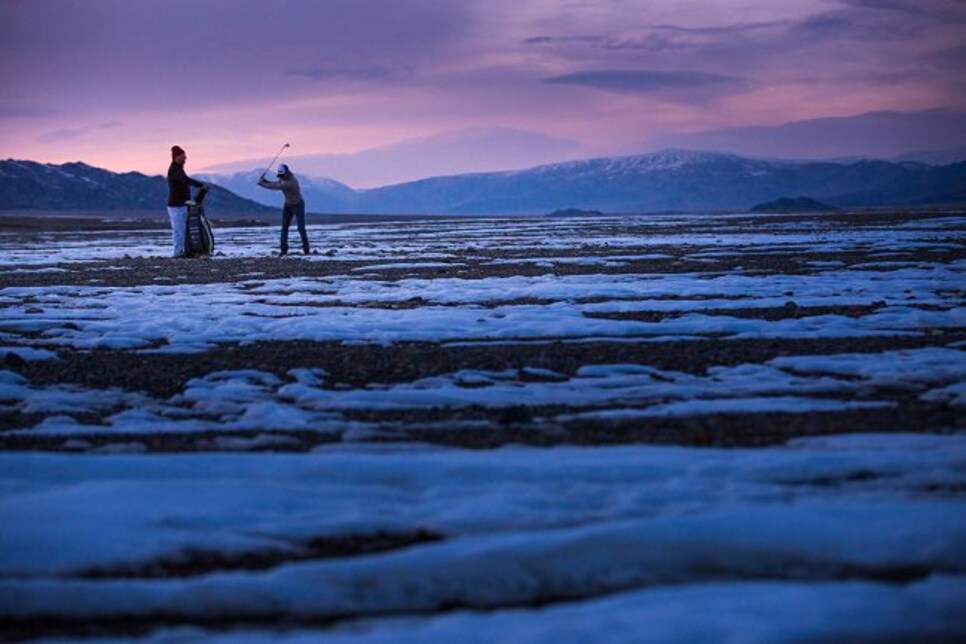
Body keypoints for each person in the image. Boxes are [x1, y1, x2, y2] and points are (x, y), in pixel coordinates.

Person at [258, 163, 310, 255]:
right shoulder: (284, 178)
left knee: (301, 228)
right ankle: (283, 250)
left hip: (298, 205)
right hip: (288, 205)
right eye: (280, 175)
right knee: (284, 228)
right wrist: (266, 181)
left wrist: (262, 184)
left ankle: (306, 250)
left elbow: (276, 186)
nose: (281, 177)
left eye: (282, 175)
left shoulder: (291, 182)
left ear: (287, 173)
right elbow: (277, 183)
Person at [166, 145, 206, 258]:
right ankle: (178, 253)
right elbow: (186, 180)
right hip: (176, 206)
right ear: (176, 157)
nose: (185, 159)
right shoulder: (175, 169)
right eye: (183, 157)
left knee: (182, 229)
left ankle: (183, 251)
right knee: (179, 230)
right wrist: (200, 185)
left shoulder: (178, 169)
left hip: (181, 205)